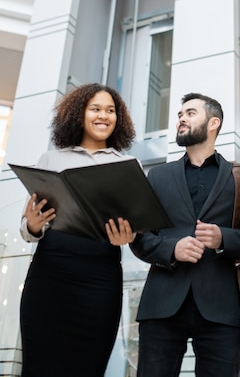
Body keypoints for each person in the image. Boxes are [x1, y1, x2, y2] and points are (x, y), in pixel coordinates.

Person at [129, 92, 240, 377]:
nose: (181, 119)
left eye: (190, 113)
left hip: (221, 306)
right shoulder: (158, 177)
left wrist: (221, 238)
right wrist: (172, 250)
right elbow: (139, 238)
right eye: (179, 115)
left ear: (214, 123)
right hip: (162, 303)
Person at [19, 82, 136, 377]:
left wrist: (129, 236)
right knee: (39, 365)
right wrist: (32, 226)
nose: (103, 116)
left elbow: (135, 221)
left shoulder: (126, 164)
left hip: (101, 277)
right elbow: (27, 226)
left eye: (110, 111)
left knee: (89, 365)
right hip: (50, 274)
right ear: (79, 114)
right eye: (95, 108)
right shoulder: (51, 159)